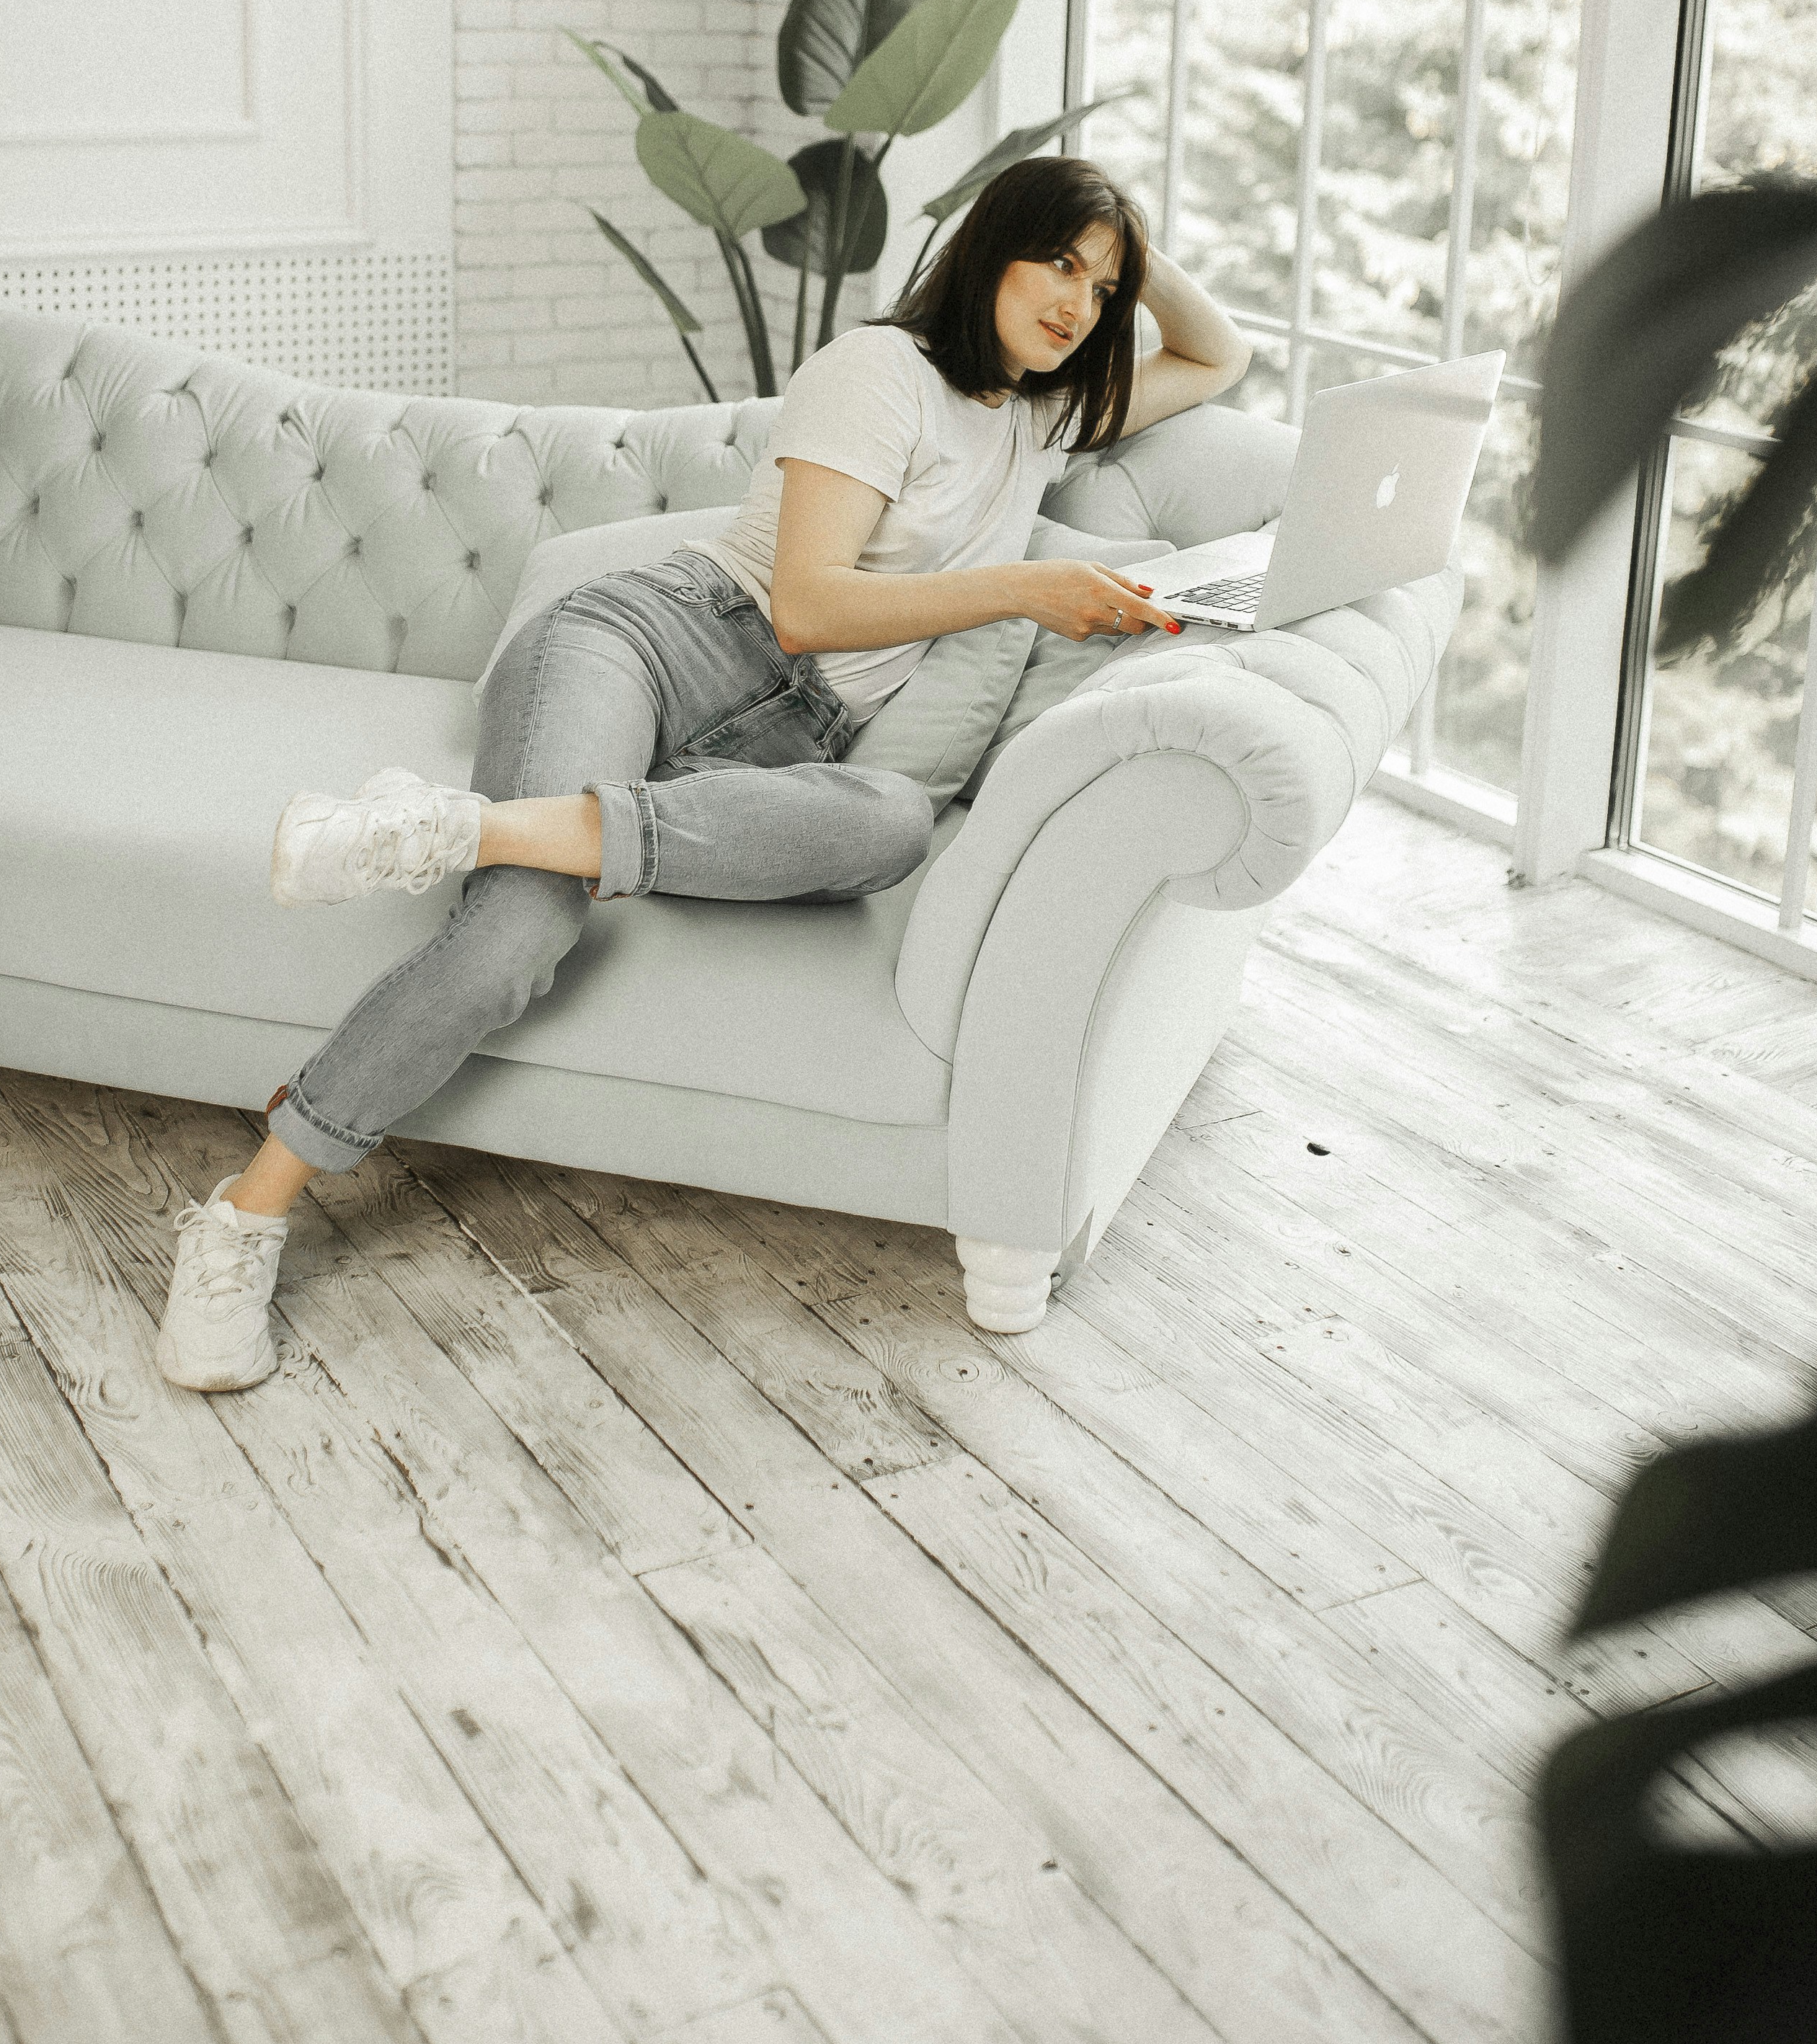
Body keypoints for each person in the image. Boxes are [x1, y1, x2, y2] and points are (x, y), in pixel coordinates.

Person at [154, 157, 1251, 1389]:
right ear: (994, 245)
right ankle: (244, 1217)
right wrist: (1028, 586)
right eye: (1059, 260)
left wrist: (1132, 246)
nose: (1080, 303)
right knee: (520, 933)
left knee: (893, 821)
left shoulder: (1044, 416)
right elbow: (806, 603)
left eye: (1105, 289)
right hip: (657, 642)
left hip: (796, 740)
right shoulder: (877, 372)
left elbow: (1218, 359)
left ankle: (459, 826)